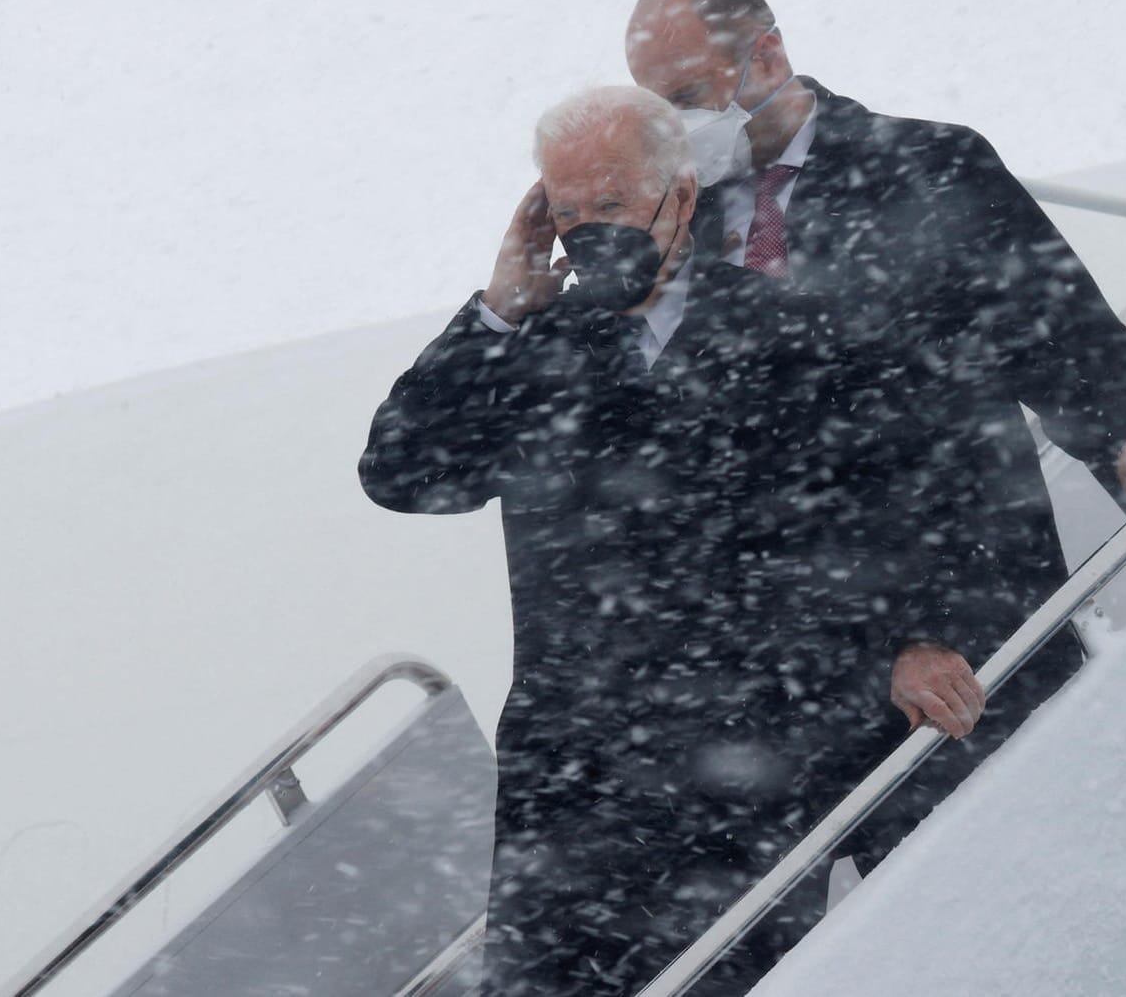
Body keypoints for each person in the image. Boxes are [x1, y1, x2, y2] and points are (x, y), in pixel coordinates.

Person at [360, 85, 973, 995]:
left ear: (681, 196)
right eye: (566, 211)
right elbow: (402, 471)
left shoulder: (795, 328)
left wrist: (916, 636)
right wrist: (495, 308)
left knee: (724, 973)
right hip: (573, 766)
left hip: (749, 747)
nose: (588, 228)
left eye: (610, 203)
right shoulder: (530, 352)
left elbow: (885, 500)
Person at [624, 0, 1126, 882]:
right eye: (661, 113)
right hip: (809, 677)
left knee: (1053, 886)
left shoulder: (932, 165)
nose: (683, 129)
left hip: (977, 616)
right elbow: (726, 477)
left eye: (691, 96)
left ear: (769, 54)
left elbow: (1057, 331)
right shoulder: (680, 241)